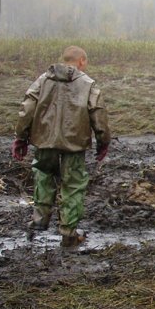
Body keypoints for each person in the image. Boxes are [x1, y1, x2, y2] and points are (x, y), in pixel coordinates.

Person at [11, 46, 111, 246]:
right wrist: (103, 142)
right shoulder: (88, 85)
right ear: (82, 61)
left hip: (44, 140)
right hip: (74, 144)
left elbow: (27, 108)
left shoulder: (42, 80)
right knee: (73, 185)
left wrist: (20, 137)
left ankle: (39, 220)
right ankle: (68, 232)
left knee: (43, 175)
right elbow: (98, 115)